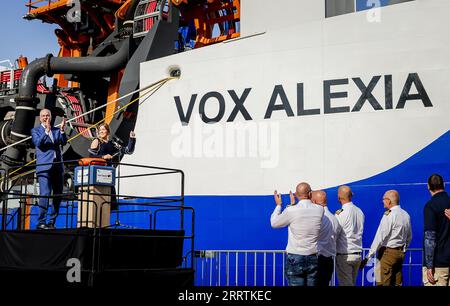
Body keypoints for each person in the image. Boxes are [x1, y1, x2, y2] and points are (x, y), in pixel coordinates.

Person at [271, 182, 324, 286]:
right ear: (310, 194)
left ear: (296, 194)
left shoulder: (291, 210)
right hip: (312, 256)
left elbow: (274, 223)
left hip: (295, 257)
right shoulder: (320, 210)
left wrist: (278, 205)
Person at [360, 190, 412, 286]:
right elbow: (409, 236)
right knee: (397, 283)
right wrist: (403, 250)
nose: (382, 201)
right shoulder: (406, 215)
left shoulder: (389, 214)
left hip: (387, 254)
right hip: (399, 254)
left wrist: (368, 256)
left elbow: (380, 236)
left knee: (383, 283)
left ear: (389, 201)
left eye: (383, 199)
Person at [31, 109, 67, 230]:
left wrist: (62, 131)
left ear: (51, 117)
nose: (46, 117)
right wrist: (46, 131)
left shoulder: (56, 130)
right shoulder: (35, 130)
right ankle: (41, 221)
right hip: (44, 167)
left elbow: (63, 141)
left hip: (58, 166)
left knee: (58, 195)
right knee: (45, 193)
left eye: (48, 115)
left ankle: (52, 221)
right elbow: (38, 143)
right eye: (43, 116)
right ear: (40, 118)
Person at [423, 174, 450, 286]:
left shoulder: (431, 206)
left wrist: (429, 265)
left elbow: (430, 237)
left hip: (438, 264)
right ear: (444, 185)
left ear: (428, 186)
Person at [334, 185, 365, 286]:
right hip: (357, 254)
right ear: (351, 196)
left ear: (339, 197)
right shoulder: (359, 211)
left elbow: (335, 233)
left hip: (345, 255)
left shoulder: (340, 214)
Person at [312, 190, 341, 286]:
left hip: (317, 260)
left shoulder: (318, 218)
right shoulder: (334, 218)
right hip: (328, 261)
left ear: (315, 202)